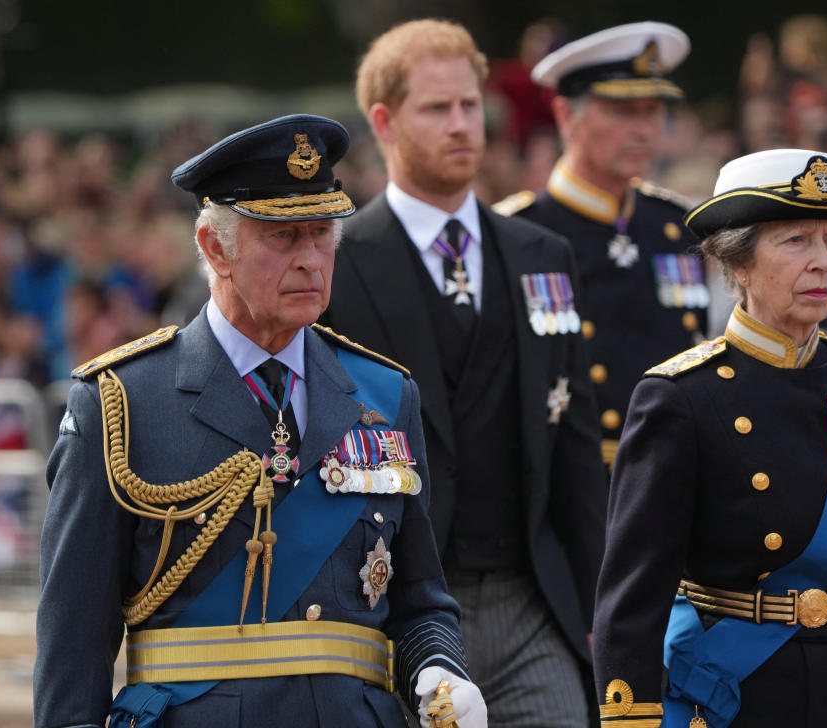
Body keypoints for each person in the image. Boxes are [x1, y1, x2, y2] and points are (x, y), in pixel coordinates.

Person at [33, 114, 486, 728]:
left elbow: (419, 600)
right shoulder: (121, 401)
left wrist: (438, 669)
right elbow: (75, 635)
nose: (310, 260)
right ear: (215, 247)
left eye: (322, 233)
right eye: (283, 237)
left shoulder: (385, 393)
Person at [320, 19, 607, 728]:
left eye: (471, 105)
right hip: (395, 607)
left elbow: (574, 441)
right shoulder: (336, 263)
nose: (462, 124)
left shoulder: (543, 253)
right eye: (437, 108)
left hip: (533, 599)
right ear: (383, 121)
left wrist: (602, 599)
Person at [592, 148, 827, 727]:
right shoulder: (680, 396)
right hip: (732, 699)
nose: (822, 262)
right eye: (796, 241)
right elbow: (633, 598)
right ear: (738, 263)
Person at [498, 21, 709, 470]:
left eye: (654, 111)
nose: (643, 129)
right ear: (565, 116)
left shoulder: (676, 225)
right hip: (568, 478)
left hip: (672, 471)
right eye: (622, 111)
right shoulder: (516, 233)